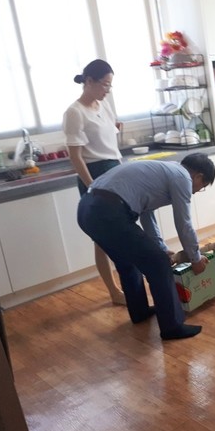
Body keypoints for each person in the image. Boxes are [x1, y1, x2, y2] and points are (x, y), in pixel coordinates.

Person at [77, 153, 215, 340]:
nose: (197, 191)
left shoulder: (163, 170)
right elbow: (184, 224)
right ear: (198, 176)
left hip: (86, 209)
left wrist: (161, 247)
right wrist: (195, 259)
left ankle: (139, 312)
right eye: (202, 187)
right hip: (108, 211)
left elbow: (146, 213)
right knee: (159, 264)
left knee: (127, 262)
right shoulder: (182, 177)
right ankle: (172, 327)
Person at [63, 59, 126, 305]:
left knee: (123, 230)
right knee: (102, 237)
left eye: (110, 85)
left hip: (114, 170)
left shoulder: (103, 104)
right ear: (89, 81)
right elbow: (75, 156)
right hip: (95, 175)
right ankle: (114, 291)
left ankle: (130, 282)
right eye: (104, 84)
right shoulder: (74, 112)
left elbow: (109, 141)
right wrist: (92, 186)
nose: (107, 90)